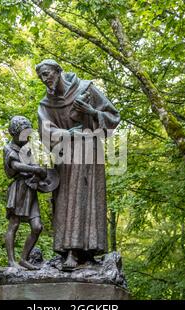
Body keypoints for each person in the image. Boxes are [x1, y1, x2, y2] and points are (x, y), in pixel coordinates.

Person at [36, 59, 120, 270]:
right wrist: (66, 134)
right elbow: (44, 132)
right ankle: (69, 251)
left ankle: (89, 251)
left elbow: (113, 116)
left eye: (47, 73)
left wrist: (91, 112)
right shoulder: (46, 104)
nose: (45, 79)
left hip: (90, 153)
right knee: (67, 200)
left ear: (58, 71)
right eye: (41, 76)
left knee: (89, 198)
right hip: (66, 156)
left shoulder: (86, 89)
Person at [3, 116, 47, 270]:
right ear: (15, 133)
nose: (26, 137)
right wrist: (35, 169)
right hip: (18, 189)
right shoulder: (9, 149)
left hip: (31, 189)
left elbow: (33, 164)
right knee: (14, 224)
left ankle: (23, 259)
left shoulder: (27, 148)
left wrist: (40, 173)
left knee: (37, 227)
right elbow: (16, 166)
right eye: (23, 133)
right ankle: (11, 261)